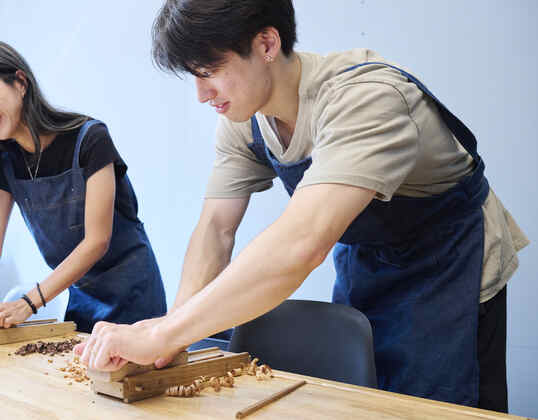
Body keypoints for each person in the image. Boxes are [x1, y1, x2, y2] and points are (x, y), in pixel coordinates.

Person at [76, 0, 528, 412]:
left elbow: (301, 244)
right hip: (369, 258)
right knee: (364, 400)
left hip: (450, 262)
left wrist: (163, 333)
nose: (201, 94)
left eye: (209, 70)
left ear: (266, 44)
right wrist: (172, 337)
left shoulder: (366, 98)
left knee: (435, 405)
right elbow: (215, 229)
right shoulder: (244, 118)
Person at [0, 40, 166, 333]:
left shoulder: (91, 139)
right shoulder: (4, 160)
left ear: (20, 83)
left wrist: (28, 303)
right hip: (82, 299)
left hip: (136, 298)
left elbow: (97, 241)